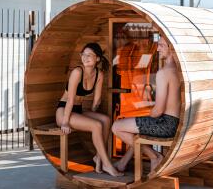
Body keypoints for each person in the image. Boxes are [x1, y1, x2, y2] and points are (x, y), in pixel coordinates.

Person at [111, 36, 181, 172]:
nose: (157, 48)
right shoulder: (178, 70)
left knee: (117, 127)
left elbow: (158, 110)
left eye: (161, 45)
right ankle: (122, 163)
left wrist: (147, 113)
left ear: (171, 48)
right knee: (135, 128)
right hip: (174, 122)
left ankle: (154, 156)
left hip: (165, 125)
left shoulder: (163, 73)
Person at [55, 42, 123, 177]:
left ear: (97, 58)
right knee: (96, 125)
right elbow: (70, 100)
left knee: (106, 120)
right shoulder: (77, 72)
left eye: (89, 55)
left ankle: (98, 157)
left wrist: (92, 113)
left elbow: (96, 100)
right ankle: (107, 164)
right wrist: (65, 122)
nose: (85, 58)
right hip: (64, 111)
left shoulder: (99, 74)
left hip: (78, 110)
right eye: (83, 55)